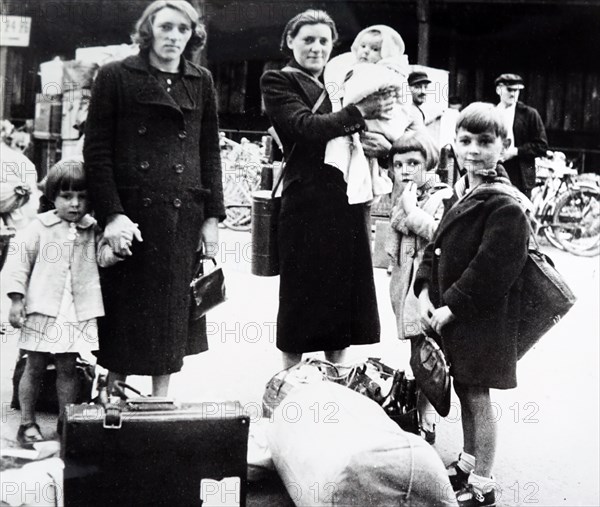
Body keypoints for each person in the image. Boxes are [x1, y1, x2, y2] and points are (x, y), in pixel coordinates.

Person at [83, 0, 225, 396]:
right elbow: (97, 151)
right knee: (126, 311)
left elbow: (208, 150)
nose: (173, 36)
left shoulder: (201, 80)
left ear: (192, 35)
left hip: (182, 215)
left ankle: (160, 403)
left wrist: (212, 218)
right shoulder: (116, 76)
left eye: (182, 29)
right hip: (132, 216)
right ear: (148, 31)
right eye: (165, 27)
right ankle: (112, 395)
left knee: (170, 311)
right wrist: (111, 215)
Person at [260, 9, 396, 369]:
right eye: (308, 39)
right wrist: (359, 112)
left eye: (324, 40)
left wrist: (381, 147)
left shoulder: (342, 79)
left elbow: (370, 134)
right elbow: (303, 127)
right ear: (290, 41)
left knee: (342, 299)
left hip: (346, 201)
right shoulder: (278, 81)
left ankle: (337, 379)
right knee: (299, 297)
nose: (316, 47)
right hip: (305, 202)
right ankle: (289, 383)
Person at [414, 102, 529, 507]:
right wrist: (425, 291)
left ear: (504, 146)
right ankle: (467, 461)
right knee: (463, 388)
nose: (474, 150)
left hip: (481, 319)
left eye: (485, 142)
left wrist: (451, 308)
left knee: (478, 397)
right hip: (453, 315)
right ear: (454, 144)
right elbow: (435, 246)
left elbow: (492, 269)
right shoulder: (462, 191)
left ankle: (483, 484)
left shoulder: (506, 204)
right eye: (465, 141)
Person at [4, 158, 122, 446]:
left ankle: (64, 422)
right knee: (34, 365)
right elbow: (19, 263)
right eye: (66, 196)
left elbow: (103, 260)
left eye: (82, 197)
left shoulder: (92, 229)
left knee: (68, 368)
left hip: (73, 312)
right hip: (41, 309)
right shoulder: (39, 227)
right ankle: (27, 422)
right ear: (52, 197)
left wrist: (117, 249)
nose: (74, 204)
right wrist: (17, 301)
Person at [385, 129, 452, 445]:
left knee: (426, 351)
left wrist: (412, 212)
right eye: (399, 165)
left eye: (413, 163)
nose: (405, 171)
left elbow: (440, 234)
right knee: (416, 349)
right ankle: (419, 411)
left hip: (426, 287)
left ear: (431, 162)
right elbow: (392, 232)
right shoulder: (403, 195)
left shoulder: (442, 195)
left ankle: (427, 417)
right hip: (403, 284)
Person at [323, 25, 420, 204]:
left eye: (375, 49)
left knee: (360, 168)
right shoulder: (359, 69)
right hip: (365, 135)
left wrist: (347, 99)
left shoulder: (381, 72)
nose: (366, 52)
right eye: (363, 46)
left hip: (379, 130)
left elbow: (355, 93)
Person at [495, 73, 548, 199]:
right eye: (509, 90)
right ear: (498, 90)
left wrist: (515, 151)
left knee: (521, 213)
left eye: (517, 90)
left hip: (520, 173)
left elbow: (541, 146)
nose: (513, 94)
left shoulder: (529, 114)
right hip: (496, 170)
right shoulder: (491, 113)